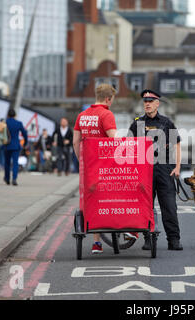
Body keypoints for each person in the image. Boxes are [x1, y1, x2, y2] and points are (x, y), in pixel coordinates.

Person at [128, 89, 183, 251]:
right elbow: (129, 148)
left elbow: (177, 144)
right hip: (144, 169)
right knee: (146, 206)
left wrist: (178, 167)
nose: (147, 104)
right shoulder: (136, 123)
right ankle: (148, 239)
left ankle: (174, 240)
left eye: (150, 101)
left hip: (164, 168)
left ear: (157, 103)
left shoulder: (167, 122)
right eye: (145, 101)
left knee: (169, 206)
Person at [73, 84, 118, 255]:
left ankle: (96, 243)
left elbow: (76, 142)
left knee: (91, 201)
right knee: (113, 196)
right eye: (112, 100)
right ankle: (125, 226)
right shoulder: (106, 114)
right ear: (108, 99)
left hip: (88, 167)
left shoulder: (82, 116)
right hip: (105, 168)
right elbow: (114, 139)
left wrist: (82, 161)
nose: (111, 103)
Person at [4, 109, 28, 186]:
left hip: (6, 145)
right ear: (15, 115)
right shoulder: (18, 123)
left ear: (8, 115)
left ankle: (7, 178)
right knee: (15, 163)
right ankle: (14, 178)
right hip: (15, 145)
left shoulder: (5, 123)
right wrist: (25, 143)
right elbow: (24, 134)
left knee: (7, 162)